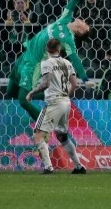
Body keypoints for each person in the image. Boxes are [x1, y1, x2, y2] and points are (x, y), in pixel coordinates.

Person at [6, 0, 94, 125]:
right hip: (25, 55)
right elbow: (74, 0)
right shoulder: (65, 18)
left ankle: (45, 124)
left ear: (80, 31)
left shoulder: (68, 41)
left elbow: (75, 60)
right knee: (10, 92)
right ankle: (51, 94)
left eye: (86, 25)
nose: (83, 20)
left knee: (22, 100)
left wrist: (85, 79)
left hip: (33, 65)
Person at [26, 38, 87, 174]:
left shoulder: (46, 63)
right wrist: (66, 96)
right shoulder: (67, 63)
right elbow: (75, 84)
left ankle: (48, 167)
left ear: (47, 50)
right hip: (66, 102)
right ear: (59, 49)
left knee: (38, 135)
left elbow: (46, 83)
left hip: (54, 102)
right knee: (62, 136)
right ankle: (79, 167)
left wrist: (32, 92)